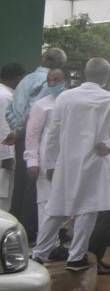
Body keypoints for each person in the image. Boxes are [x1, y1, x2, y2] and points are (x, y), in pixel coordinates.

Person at [32, 58, 110, 271]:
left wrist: (50, 162)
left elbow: (52, 132)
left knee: (56, 208)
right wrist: (109, 145)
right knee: (88, 209)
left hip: (65, 162)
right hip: (94, 161)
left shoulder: (65, 97)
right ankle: (76, 256)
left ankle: (39, 254)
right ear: (105, 77)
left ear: (85, 74)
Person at [5, 49, 67, 232]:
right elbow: (34, 111)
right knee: (34, 186)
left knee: (21, 183)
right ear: (60, 65)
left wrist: (15, 130)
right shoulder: (47, 80)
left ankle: (15, 225)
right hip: (34, 135)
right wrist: (20, 131)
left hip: (21, 134)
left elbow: (11, 110)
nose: (54, 82)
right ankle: (29, 230)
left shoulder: (26, 79)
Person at [23, 68, 68, 252]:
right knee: (45, 204)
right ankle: (46, 247)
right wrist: (32, 162)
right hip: (45, 161)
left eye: (56, 80)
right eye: (49, 81)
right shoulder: (41, 105)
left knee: (61, 204)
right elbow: (32, 135)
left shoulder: (69, 102)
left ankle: (57, 243)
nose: (52, 84)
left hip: (65, 160)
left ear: (66, 80)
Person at [0, 63, 24, 212]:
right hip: (3, 161)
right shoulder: (7, 97)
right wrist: (7, 156)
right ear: (19, 78)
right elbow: (3, 126)